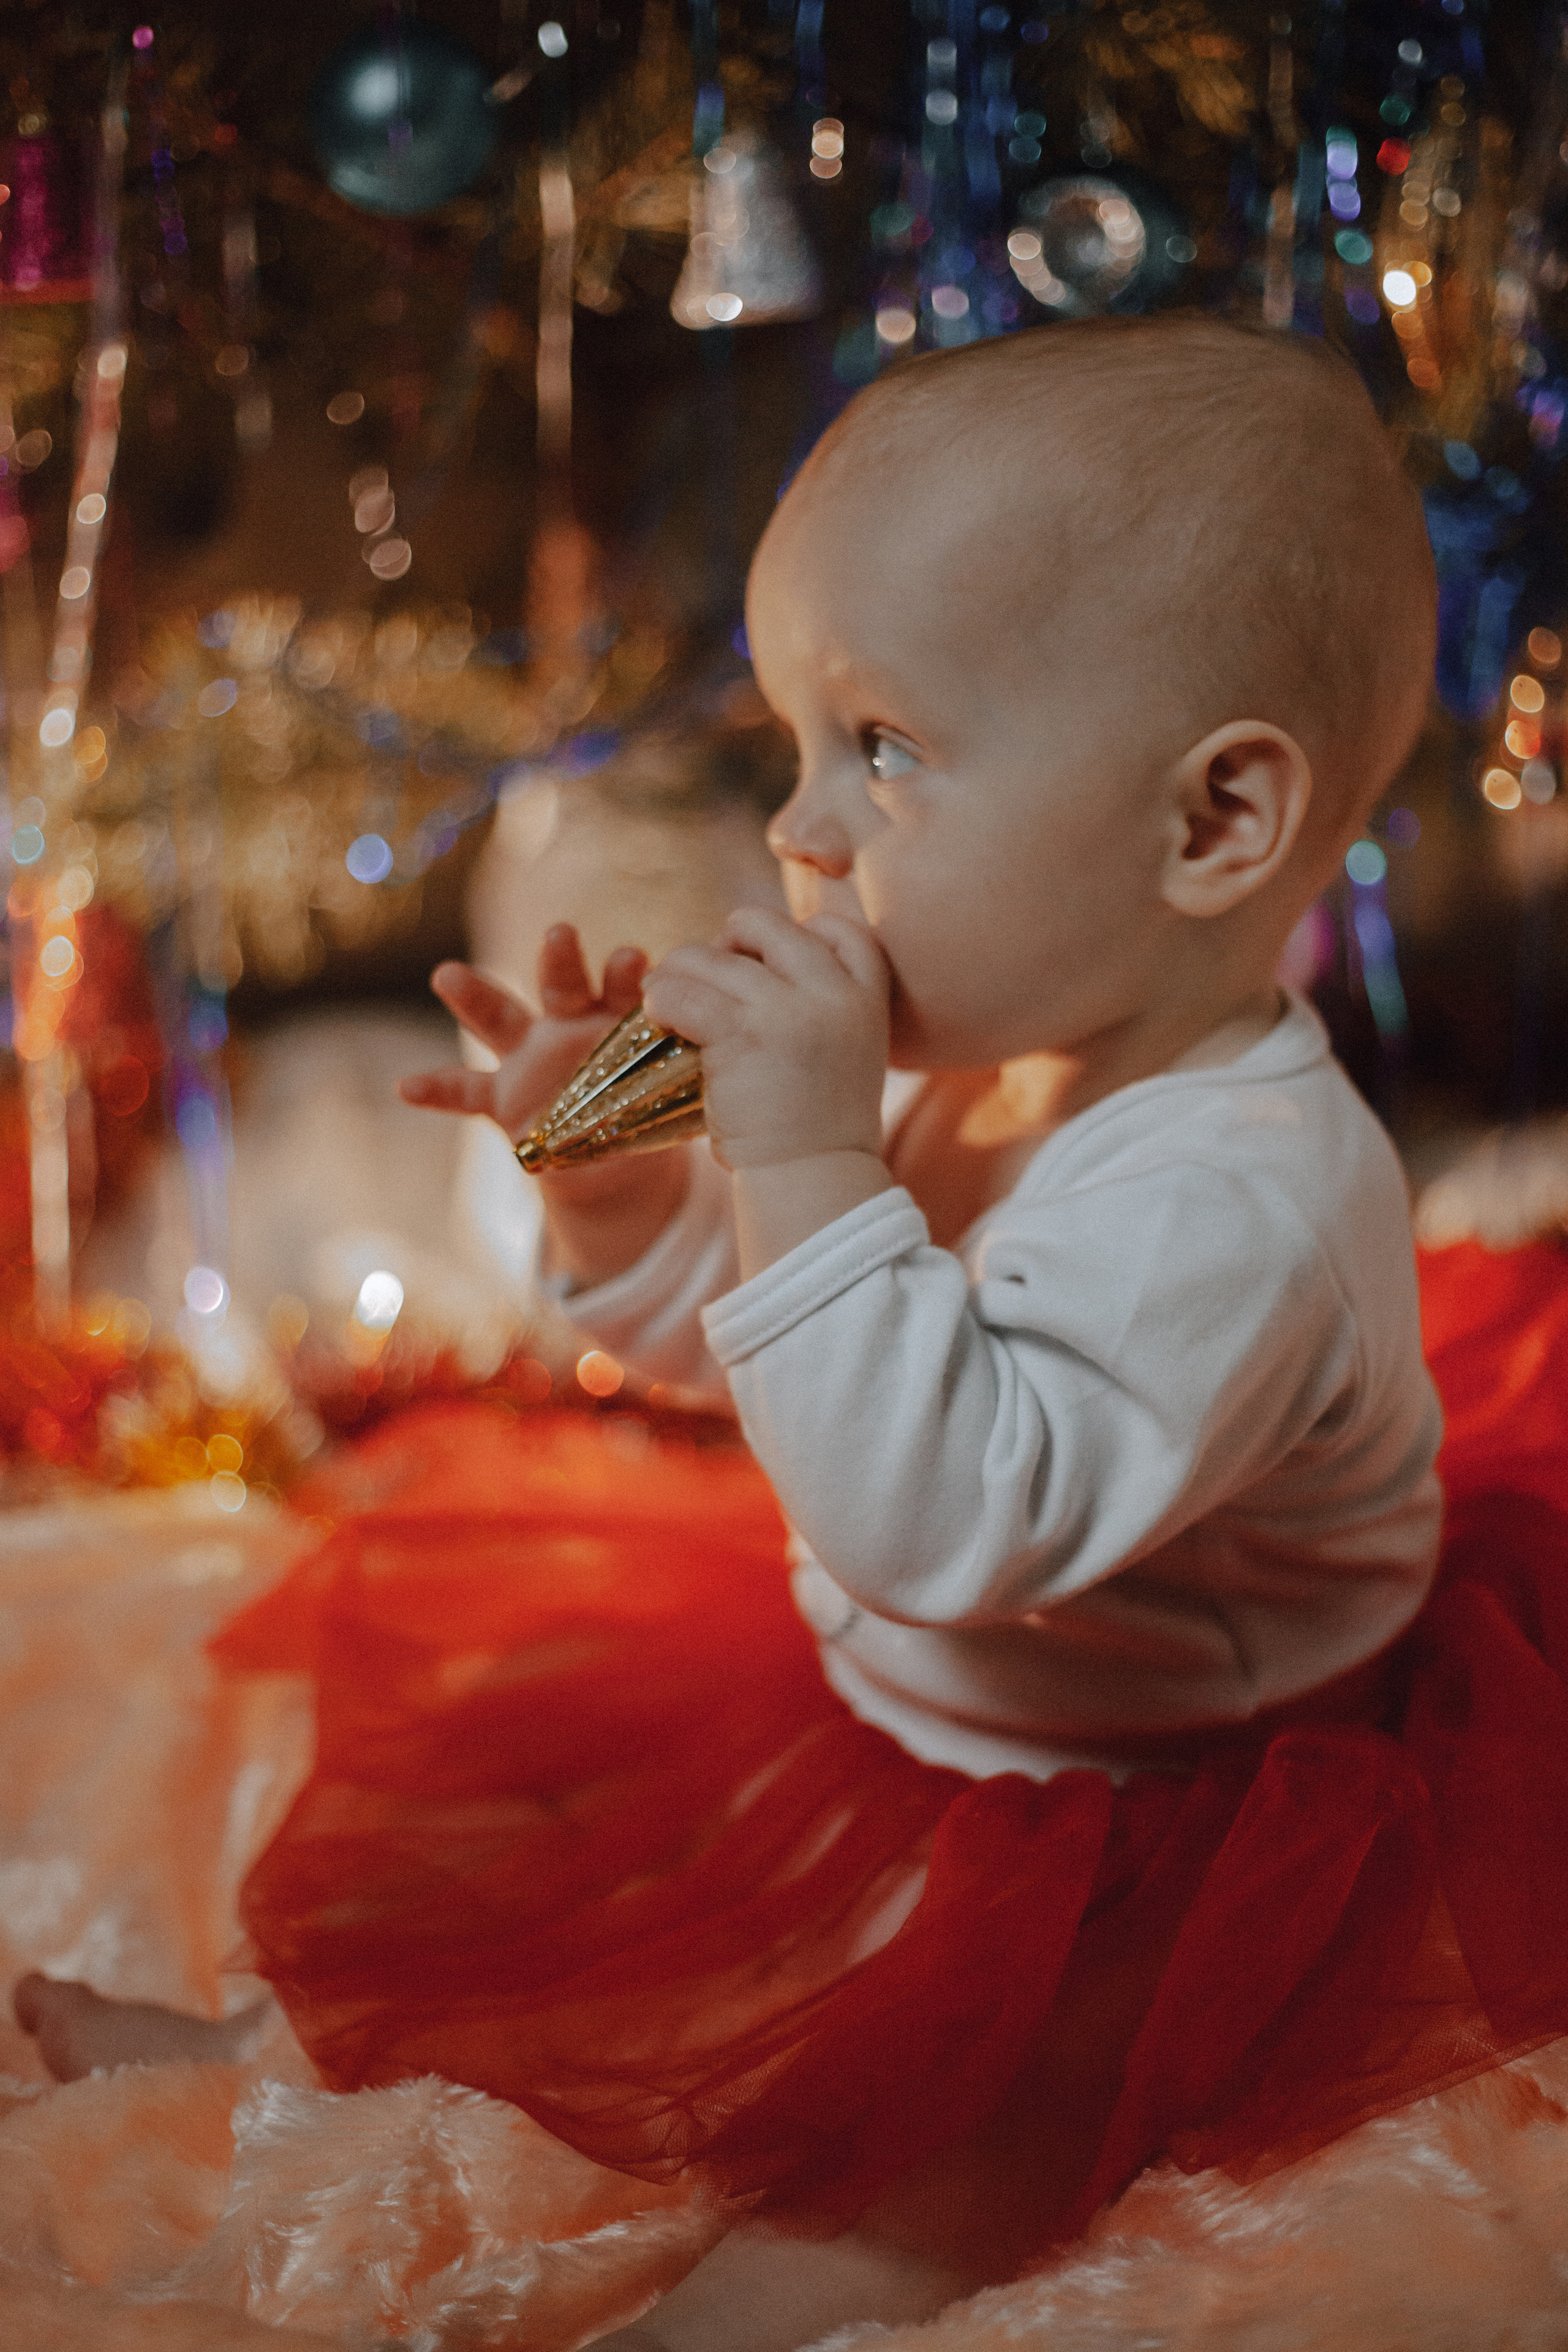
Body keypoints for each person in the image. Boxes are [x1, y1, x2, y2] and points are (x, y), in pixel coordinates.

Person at [18, 318, 1568, 2342]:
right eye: (800, 749)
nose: (803, 835)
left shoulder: (1236, 1206)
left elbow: (936, 1520)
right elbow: (772, 1359)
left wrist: (812, 1153)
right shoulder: (988, 1053)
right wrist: (625, 1196)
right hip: (915, 1714)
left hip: (1159, 1803)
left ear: (1213, 828)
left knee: (925, 2151)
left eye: (888, 751)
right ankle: (284, 2059)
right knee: (569, 1863)